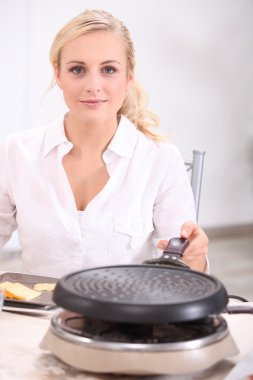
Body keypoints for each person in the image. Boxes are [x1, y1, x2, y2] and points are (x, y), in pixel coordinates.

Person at [0, 9, 208, 278]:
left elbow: (185, 272)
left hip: (124, 315)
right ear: (58, 75)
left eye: (109, 69)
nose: (93, 85)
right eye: (78, 69)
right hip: (39, 317)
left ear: (129, 77)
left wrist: (196, 255)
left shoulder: (161, 159)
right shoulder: (17, 151)